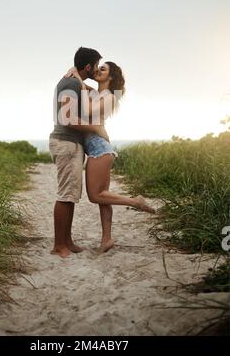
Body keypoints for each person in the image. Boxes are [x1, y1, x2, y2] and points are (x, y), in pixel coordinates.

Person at [66, 61, 155, 253]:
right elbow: (84, 87)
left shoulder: (111, 97)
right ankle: (106, 239)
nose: (98, 70)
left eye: (103, 69)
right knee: (104, 197)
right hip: (99, 149)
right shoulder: (99, 94)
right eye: (98, 68)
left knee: (95, 195)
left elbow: (88, 111)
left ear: (111, 76)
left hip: (99, 150)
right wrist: (75, 73)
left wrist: (80, 83)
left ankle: (135, 202)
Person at [49, 47, 109, 258]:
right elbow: (67, 119)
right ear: (88, 66)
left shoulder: (75, 83)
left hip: (72, 144)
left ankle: (68, 241)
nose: (96, 69)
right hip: (66, 143)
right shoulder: (70, 83)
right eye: (96, 65)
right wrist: (95, 129)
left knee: (71, 195)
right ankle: (58, 245)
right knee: (66, 195)